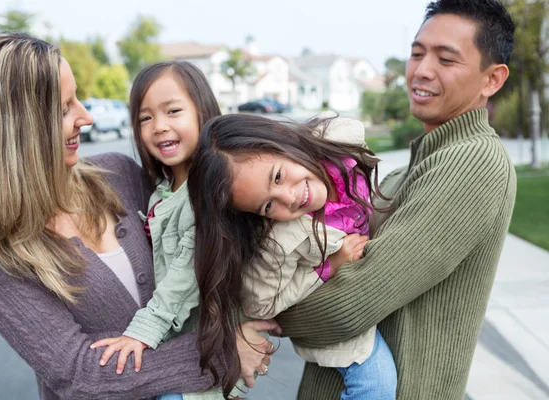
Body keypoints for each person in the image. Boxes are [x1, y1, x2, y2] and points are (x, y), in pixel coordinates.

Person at [0, 32, 276, 400]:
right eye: (64, 108)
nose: (86, 117)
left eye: (78, 100)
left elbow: (208, 237)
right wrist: (222, 351)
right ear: (11, 133)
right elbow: (79, 374)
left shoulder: (117, 175)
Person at [273, 1, 517, 399]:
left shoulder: (473, 162)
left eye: (446, 59)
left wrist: (263, 309)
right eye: (417, 53)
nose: (421, 70)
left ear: (492, 79)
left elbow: (350, 305)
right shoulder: (410, 170)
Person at [89, 61, 272, 399]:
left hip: (200, 375)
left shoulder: (205, 196)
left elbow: (183, 281)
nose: (159, 126)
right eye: (145, 118)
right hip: (176, 360)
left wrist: (139, 334)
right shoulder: (163, 189)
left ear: (202, 112)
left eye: (173, 111)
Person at [187, 113, 398, 399]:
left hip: (375, 294)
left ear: (283, 144)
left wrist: (308, 141)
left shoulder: (337, 153)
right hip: (333, 317)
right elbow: (263, 304)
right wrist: (328, 267)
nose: (289, 197)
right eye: (268, 206)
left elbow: (349, 126)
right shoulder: (278, 240)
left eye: (278, 176)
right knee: (378, 383)